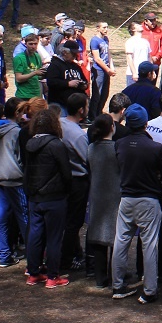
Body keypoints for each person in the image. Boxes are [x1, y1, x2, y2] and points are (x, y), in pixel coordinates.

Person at [111, 104, 162, 303]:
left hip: (126, 198)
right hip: (148, 200)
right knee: (149, 244)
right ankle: (150, 290)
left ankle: (117, 285)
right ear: (145, 123)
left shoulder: (120, 144)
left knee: (121, 241)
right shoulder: (155, 147)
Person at [23, 108, 72, 288]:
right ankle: (52, 276)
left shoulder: (30, 144)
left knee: (35, 235)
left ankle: (33, 272)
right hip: (54, 197)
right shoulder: (56, 145)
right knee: (54, 237)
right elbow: (66, 172)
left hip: (35, 197)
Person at [0, 100, 27, 268]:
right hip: (14, 180)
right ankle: (35, 255)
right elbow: (20, 157)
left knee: (2, 218)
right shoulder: (16, 133)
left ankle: (4, 255)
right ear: (17, 113)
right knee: (24, 218)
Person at [86, 115, 119, 289]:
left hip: (97, 194)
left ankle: (100, 278)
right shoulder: (116, 148)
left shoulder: (91, 148)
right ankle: (115, 275)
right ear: (112, 128)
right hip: (115, 195)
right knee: (116, 237)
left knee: (98, 236)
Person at [60, 94, 91, 272]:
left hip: (63, 178)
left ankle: (73, 253)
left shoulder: (60, 123)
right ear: (81, 110)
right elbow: (87, 159)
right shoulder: (78, 135)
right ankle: (67, 259)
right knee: (73, 223)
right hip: (77, 180)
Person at [45, 41, 88, 111]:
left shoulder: (76, 66)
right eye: (73, 54)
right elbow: (51, 82)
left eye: (76, 54)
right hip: (60, 104)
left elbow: (85, 80)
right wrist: (68, 83)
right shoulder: (55, 65)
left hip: (75, 105)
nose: (75, 56)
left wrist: (84, 85)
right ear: (65, 52)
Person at [89, 22, 115, 116]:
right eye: (104, 27)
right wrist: (107, 70)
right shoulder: (94, 41)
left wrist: (111, 66)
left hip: (106, 69)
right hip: (98, 70)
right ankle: (92, 115)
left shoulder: (106, 39)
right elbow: (97, 58)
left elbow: (108, 53)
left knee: (105, 93)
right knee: (97, 94)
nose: (106, 29)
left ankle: (99, 111)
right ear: (98, 28)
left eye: (107, 27)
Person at [12, 29, 46, 101]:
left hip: (36, 94)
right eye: (30, 44)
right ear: (25, 44)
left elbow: (38, 76)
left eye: (35, 44)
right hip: (24, 95)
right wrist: (35, 73)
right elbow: (18, 78)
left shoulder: (37, 56)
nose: (33, 46)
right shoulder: (19, 58)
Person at [124, 23, 152, 89]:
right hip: (133, 73)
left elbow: (149, 57)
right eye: (137, 25)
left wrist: (151, 71)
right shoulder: (130, 41)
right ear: (133, 29)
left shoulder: (145, 41)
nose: (140, 25)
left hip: (145, 74)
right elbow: (129, 58)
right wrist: (134, 73)